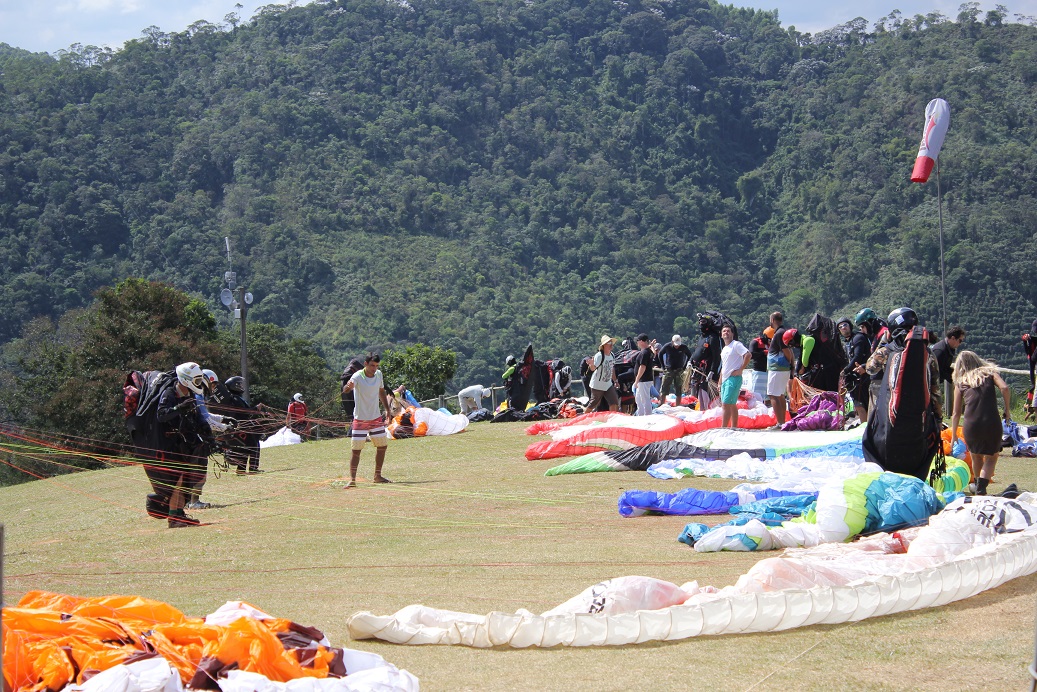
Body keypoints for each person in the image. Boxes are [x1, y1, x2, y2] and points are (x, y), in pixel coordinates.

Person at [862, 307, 943, 480]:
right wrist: (938, 418)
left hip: (889, 415)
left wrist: (883, 343)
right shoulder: (928, 354)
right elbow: (935, 388)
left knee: (869, 437)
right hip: (920, 416)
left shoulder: (887, 350)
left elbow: (870, 368)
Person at [151, 362, 214, 528]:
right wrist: (179, 407)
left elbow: (196, 416)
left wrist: (206, 431)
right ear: (186, 379)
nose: (199, 384)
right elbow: (161, 415)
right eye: (197, 380)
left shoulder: (191, 394)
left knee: (185, 480)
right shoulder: (170, 393)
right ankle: (174, 518)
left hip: (186, 443)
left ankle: (180, 514)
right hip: (170, 444)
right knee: (176, 481)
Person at [949, 351, 1011, 495]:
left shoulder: (961, 382)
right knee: (992, 457)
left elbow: (956, 413)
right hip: (991, 421)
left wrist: (953, 436)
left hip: (971, 424)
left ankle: (978, 487)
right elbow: (1005, 388)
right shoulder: (989, 373)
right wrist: (1007, 410)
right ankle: (981, 487)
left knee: (975, 455)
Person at [341, 353, 393, 488]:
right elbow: (346, 389)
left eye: (376, 366)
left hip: (375, 417)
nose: (374, 368)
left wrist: (387, 410)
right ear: (365, 364)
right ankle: (352, 480)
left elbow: (381, 391)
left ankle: (377, 475)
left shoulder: (379, 375)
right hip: (360, 419)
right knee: (356, 450)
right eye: (372, 366)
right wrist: (348, 386)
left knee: (382, 446)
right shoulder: (357, 376)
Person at [223, 376, 266, 475]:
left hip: (240, 426)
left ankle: (241, 469)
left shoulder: (234, 398)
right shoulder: (235, 399)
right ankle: (253, 468)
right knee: (254, 445)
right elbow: (245, 412)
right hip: (243, 426)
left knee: (245, 447)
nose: (242, 386)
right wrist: (256, 408)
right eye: (240, 384)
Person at [719, 325, 751, 428]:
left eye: (728, 331)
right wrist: (720, 381)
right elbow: (724, 366)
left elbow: (748, 354)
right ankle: (734, 427)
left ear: (732, 334)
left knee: (726, 404)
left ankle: (723, 428)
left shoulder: (736, 344)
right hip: (725, 379)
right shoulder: (724, 349)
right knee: (731, 404)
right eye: (724, 331)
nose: (726, 333)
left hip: (733, 378)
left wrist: (741, 369)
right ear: (721, 334)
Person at [842, 318, 873, 421]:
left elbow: (857, 356)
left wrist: (845, 371)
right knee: (859, 404)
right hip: (857, 376)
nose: (843, 328)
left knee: (861, 404)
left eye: (845, 325)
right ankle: (865, 427)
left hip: (862, 376)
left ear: (850, 326)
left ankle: (865, 429)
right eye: (840, 327)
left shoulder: (858, 338)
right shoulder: (848, 342)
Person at [689, 314, 722, 409]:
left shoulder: (713, 337)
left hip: (708, 371)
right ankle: (702, 411)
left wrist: (712, 371)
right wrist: (690, 361)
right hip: (699, 370)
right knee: (699, 391)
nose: (700, 324)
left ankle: (710, 411)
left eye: (703, 322)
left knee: (706, 392)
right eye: (699, 322)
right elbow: (697, 351)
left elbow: (717, 356)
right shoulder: (702, 337)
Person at [766, 311, 793, 425]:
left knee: (773, 394)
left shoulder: (779, 333)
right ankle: (782, 421)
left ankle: (780, 422)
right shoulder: (782, 332)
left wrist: (789, 362)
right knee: (780, 395)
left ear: (772, 320)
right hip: (781, 369)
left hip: (777, 369)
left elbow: (787, 351)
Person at [587, 334, 620, 412]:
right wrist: (591, 364)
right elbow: (593, 368)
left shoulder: (612, 355)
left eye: (611, 343)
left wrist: (615, 381)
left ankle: (612, 419)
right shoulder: (599, 356)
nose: (611, 345)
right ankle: (584, 417)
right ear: (604, 345)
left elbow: (612, 369)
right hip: (597, 384)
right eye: (609, 343)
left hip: (608, 384)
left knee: (614, 402)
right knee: (593, 403)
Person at [657, 334, 692, 403]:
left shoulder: (683, 347)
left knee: (679, 389)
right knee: (664, 387)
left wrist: (684, 366)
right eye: (675, 345)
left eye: (678, 345)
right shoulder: (667, 346)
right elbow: (660, 354)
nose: (677, 346)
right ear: (672, 342)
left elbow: (689, 355)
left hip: (679, 370)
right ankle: (662, 403)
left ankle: (678, 405)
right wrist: (663, 366)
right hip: (669, 370)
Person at [746, 327, 773, 403]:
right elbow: (751, 355)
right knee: (758, 395)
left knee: (769, 395)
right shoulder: (755, 342)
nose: (770, 341)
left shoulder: (771, 343)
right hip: (759, 371)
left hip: (770, 371)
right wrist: (763, 352)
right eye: (769, 339)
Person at [632, 333, 657, 416]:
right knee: (638, 399)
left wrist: (636, 380)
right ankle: (641, 415)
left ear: (642, 342)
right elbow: (654, 353)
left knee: (645, 399)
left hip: (643, 380)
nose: (637, 343)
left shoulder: (644, 353)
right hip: (645, 380)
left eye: (638, 341)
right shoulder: (649, 351)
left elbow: (642, 367)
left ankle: (648, 416)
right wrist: (652, 345)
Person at [340, 358, 364, 425]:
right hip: (348, 390)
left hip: (348, 390)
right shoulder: (353, 371)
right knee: (355, 416)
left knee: (354, 416)